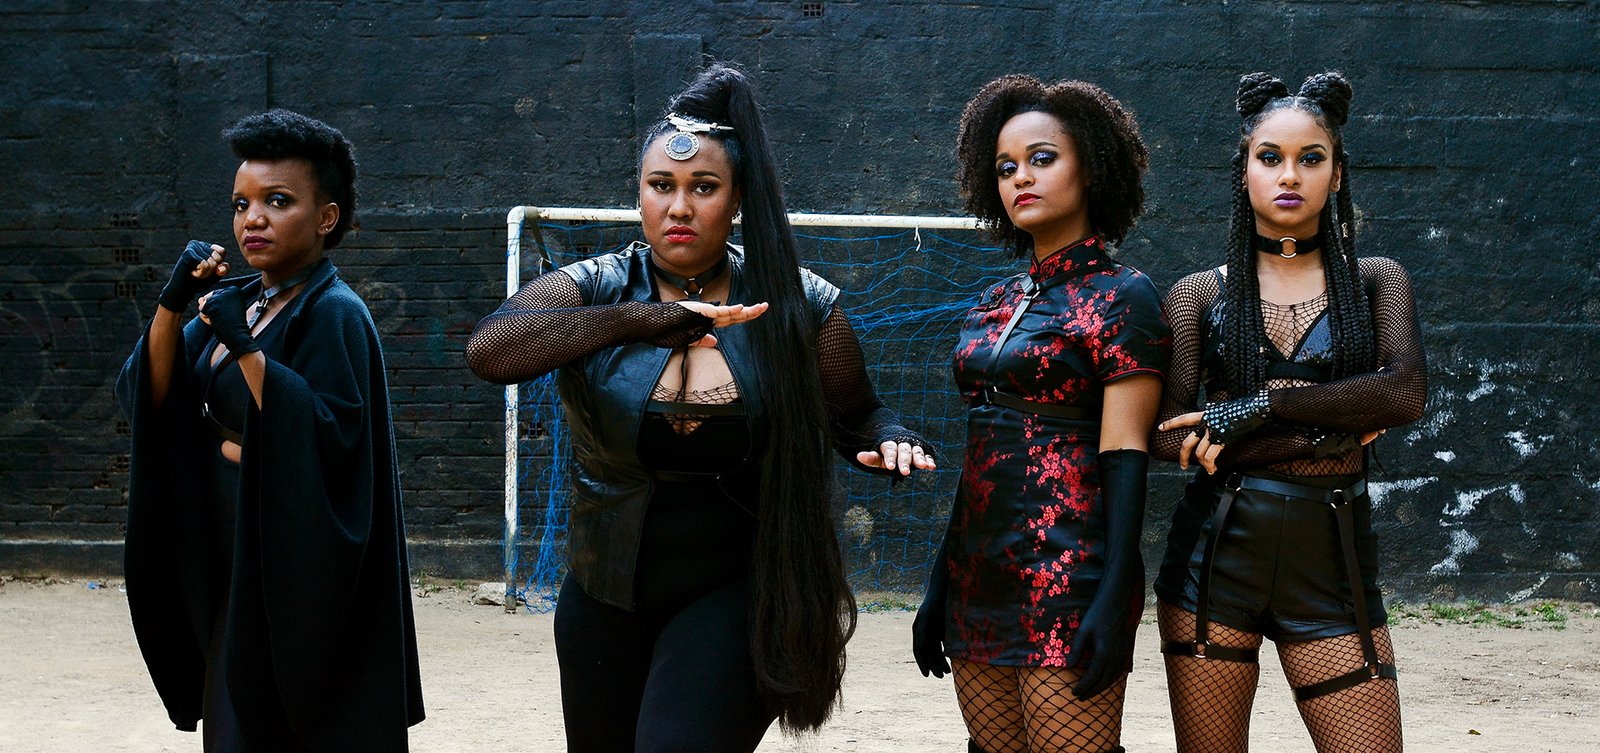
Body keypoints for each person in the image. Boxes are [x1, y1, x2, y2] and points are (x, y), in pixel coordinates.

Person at [465, 63, 935, 752]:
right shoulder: (597, 287)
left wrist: (889, 436)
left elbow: (858, 414)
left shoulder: (799, 303)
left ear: (737, 198)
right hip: (603, 592)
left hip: (738, 591)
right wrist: (640, 320)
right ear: (639, 192)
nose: (679, 207)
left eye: (703, 187)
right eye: (661, 185)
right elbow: (491, 351)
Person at [115, 109, 423, 751]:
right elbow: (150, 392)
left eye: (277, 201)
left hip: (287, 576)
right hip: (228, 561)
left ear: (326, 218)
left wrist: (244, 352)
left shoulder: (334, 312)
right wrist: (172, 305)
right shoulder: (240, 302)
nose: (252, 219)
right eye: (241, 204)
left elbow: (332, 438)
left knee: (271, 726)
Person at [1149, 72, 1427, 753]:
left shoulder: (1376, 281)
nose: (1289, 174)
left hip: (1334, 566)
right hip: (1215, 563)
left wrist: (1262, 404)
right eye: (1269, 156)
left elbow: (1403, 394)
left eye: (1311, 158)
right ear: (1243, 169)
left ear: (1337, 174)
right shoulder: (1198, 294)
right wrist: (1332, 428)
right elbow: (1164, 433)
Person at [914, 75, 1170, 753]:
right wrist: (940, 582)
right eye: (1005, 167)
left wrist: (1116, 593)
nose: (1020, 177)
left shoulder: (1125, 295)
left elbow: (1126, 454)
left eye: (1042, 158)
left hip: (1067, 572)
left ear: (1092, 167)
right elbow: (980, 454)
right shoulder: (993, 300)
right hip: (979, 576)